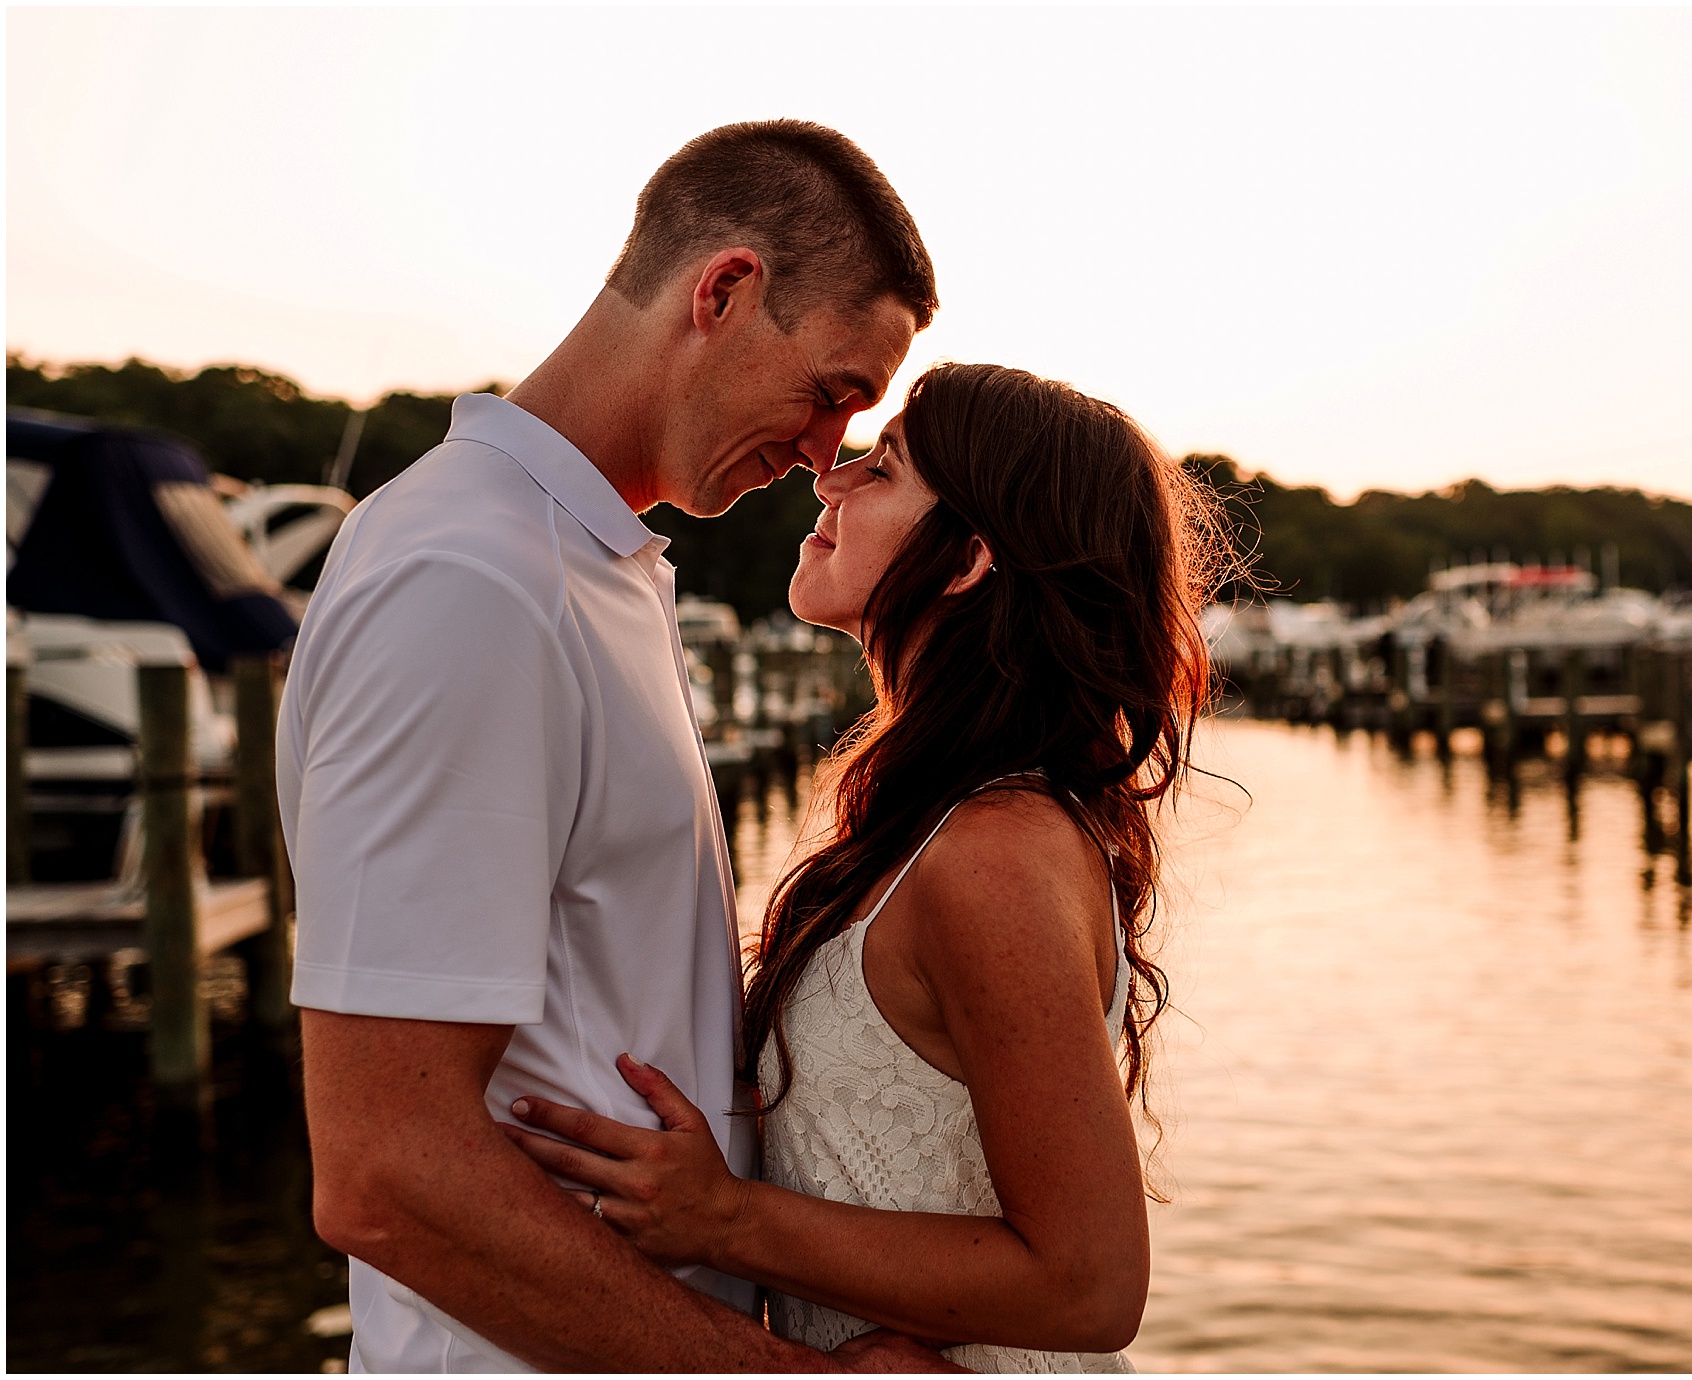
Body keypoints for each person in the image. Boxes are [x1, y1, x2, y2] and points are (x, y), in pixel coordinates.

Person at [281, 120, 957, 1372]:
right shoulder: (472, 578)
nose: (824, 459)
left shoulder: (588, 566)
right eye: (830, 393)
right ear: (724, 291)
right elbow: (386, 1173)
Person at [499, 362, 1229, 1371]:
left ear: (969, 559)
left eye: (879, 469)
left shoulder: (995, 851)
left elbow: (1091, 1284)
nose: (827, 482)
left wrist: (723, 1221)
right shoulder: (939, 826)